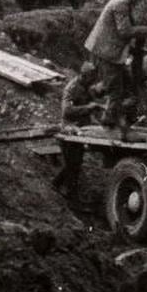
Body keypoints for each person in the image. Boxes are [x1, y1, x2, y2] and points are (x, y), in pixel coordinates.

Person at [84, 0, 147, 135]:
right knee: (116, 91)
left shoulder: (126, 2)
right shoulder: (120, 4)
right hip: (106, 52)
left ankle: (96, 93)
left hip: (113, 52)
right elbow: (125, 31)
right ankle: (109, 124)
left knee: (127, 86)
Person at [53, 62, 103, 199]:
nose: (93, 80)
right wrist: (88, 108)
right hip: (69, 128)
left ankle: (57, 184)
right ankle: (70, 195)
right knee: (73, 163)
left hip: (81, 129)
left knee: (75, 163)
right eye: (91, 77)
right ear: (84, 75)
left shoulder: (87, 87)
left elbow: (95, 98)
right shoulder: (72, 88)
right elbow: (66, 111)